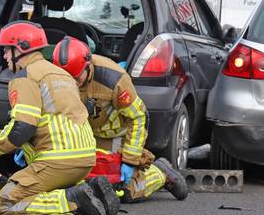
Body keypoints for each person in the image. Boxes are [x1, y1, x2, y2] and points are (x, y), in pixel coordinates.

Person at [0, 21, 112, 215]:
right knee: (37, 188)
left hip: (56, 161)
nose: (5, 56)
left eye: (7, 50)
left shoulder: (25, 77)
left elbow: (22, 128)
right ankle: (88, 192)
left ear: (20, 48)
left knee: (0, 202)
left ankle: (72, 201)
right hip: (86, 158)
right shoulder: (61, 73)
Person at [48, 36, 188, 202]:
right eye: (67, 79)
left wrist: (129, 160)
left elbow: (138, 117)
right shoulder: (52, 77)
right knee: (74, 184)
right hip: (85, 135)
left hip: (115, 135)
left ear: (88, 66)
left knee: (121, 190)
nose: (73, 85)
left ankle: (159, 173)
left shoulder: (113, 79)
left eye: (77, 79)